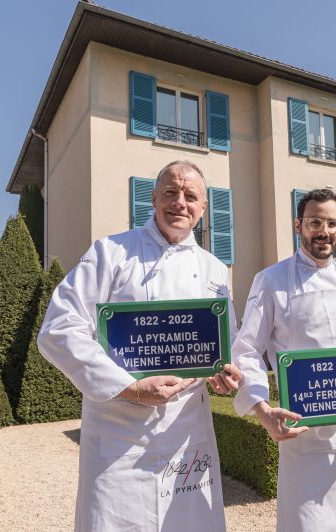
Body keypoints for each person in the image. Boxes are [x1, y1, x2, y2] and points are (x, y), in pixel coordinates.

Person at [38, 160, 241, 531]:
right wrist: (128, 387)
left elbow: (229, 343)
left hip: (186, 433)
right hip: (119, 429)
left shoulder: (214, 269)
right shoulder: (109, 252)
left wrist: (224, 374)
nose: (180, 202)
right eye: (171, 193)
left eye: (191, 196)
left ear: (203, 207)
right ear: (154, 198)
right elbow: (58, 329)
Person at [231, 189, 336, 532]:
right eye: (315, 221)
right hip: (305, 436)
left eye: (332, 223)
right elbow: (246, 351)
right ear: (298, 225)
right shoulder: (271, 280)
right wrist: (261, 408)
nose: (324, 230)